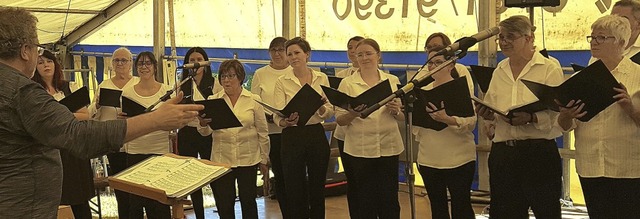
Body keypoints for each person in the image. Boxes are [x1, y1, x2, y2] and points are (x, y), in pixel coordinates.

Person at [0, 7, 203, 218]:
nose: (38, 56)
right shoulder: (22, 91)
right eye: (37, 49)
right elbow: (79, 135)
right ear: (25, 51)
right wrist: (155, 119)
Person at [474, 15, 564, 218]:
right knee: (505, 212)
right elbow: (494, 107)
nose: (504, 42)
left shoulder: (549, 68)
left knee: (546, 210)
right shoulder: (500, 70)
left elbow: (558, 113)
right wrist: (487, 115)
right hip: (504, 154)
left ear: (529, 38)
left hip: (538, 153)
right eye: (501, 38)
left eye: (510, 37)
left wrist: (531, 118)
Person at [557, 15, 640, 218]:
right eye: (592, 37)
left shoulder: (637, 76)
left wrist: (630, 108)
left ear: (621, 42)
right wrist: (566, 115)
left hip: (628, 167)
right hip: (590, 165)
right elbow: (564, 126)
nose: (594, 42)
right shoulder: (579, 78)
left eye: (602, 37)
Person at [335, 38, 404, 218]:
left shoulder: (392, 80)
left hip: (388, 145)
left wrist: (396, 110)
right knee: (365, 198)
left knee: (389, 197)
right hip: (360, 148)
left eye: (368, 53)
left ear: (378, 56)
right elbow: (340, 120)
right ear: (355, 58)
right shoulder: (347, 83)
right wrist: (354, 113)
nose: (364, 58)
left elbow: (404, 116)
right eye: (360, 55)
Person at [198, 59, 270, 219]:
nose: (226, 80)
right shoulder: (213, 100)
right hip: (222, 158)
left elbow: (263, 132)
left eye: (231, 76)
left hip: (248, 158)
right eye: (223, 76)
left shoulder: (253, 100)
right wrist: (202, 124)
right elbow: (205, 132)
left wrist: (264, 159)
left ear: (240, 78)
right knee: (224, 203)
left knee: (248, 202)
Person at [273, 37, 334, 219]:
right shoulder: (282, 81)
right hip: (292, 135)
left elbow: (330, 110)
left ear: (307, 54)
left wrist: (320, 106)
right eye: (289, 54)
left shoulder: (321, 78)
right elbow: (278, 113)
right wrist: (286, 121)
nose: (293, 57)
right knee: (294, 187)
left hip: (315, 132)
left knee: (317, 186)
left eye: (297, 53)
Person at [413, 46, 476, 219]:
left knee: (461, 206)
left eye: (439, 62)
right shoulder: (422, 92)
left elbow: (471, 122)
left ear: (451, 64)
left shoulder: (461, 88)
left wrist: (447, 119)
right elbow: (415, 122)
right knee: (437, 207)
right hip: (429, 157)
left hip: (459, 157)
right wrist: (399, 111)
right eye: (431, 63)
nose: (434, 66)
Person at [32, 50, 94, 219]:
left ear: (55, 64)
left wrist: (59, 115)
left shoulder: (68, 87)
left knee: (79, 200)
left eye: (49, 61)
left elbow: (85, 115)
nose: (46, 65)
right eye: (40, 62)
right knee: (51, 200)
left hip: (73, 149)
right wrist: (67, 115)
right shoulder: (34, 91)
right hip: (49, 150)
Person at [88, 46, 140, 218]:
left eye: (124, 60)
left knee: (138, 189)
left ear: (131, 63)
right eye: (116, 60)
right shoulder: (104, 85)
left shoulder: (138, 84)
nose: (120, 63)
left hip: (136, 142)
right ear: (111, 64)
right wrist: (96, 105)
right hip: (114, 143)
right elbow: (93, 116)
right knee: (120, 187)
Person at [121, 51, 174, 219]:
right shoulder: (127, 92)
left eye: (148, 63)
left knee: (159, 203)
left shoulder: (165, 91)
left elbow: (172, 120)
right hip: (135, 149)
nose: (144, 67)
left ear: (154, 67)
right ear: (136, 68)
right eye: (140, 64)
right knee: (135, 202)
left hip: (159, 150)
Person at [176, 47, 222, 219]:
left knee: (213, 173)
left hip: (208, 132)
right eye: (192, 59)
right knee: (192, 177)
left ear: (205, 62)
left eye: (199, 58)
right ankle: (199, 214)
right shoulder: (182, 84)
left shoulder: (214, 82)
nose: (196, 62)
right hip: (187, 132)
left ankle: (222, 210)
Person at [250, 36, 292, 216]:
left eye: (281, 50)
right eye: (273, 50)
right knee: (280, 177)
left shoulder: (294, 71)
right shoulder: (260, 74)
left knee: (294, 177)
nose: (277, 54)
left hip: (292, 131)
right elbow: (253, 101)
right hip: (271, 132)